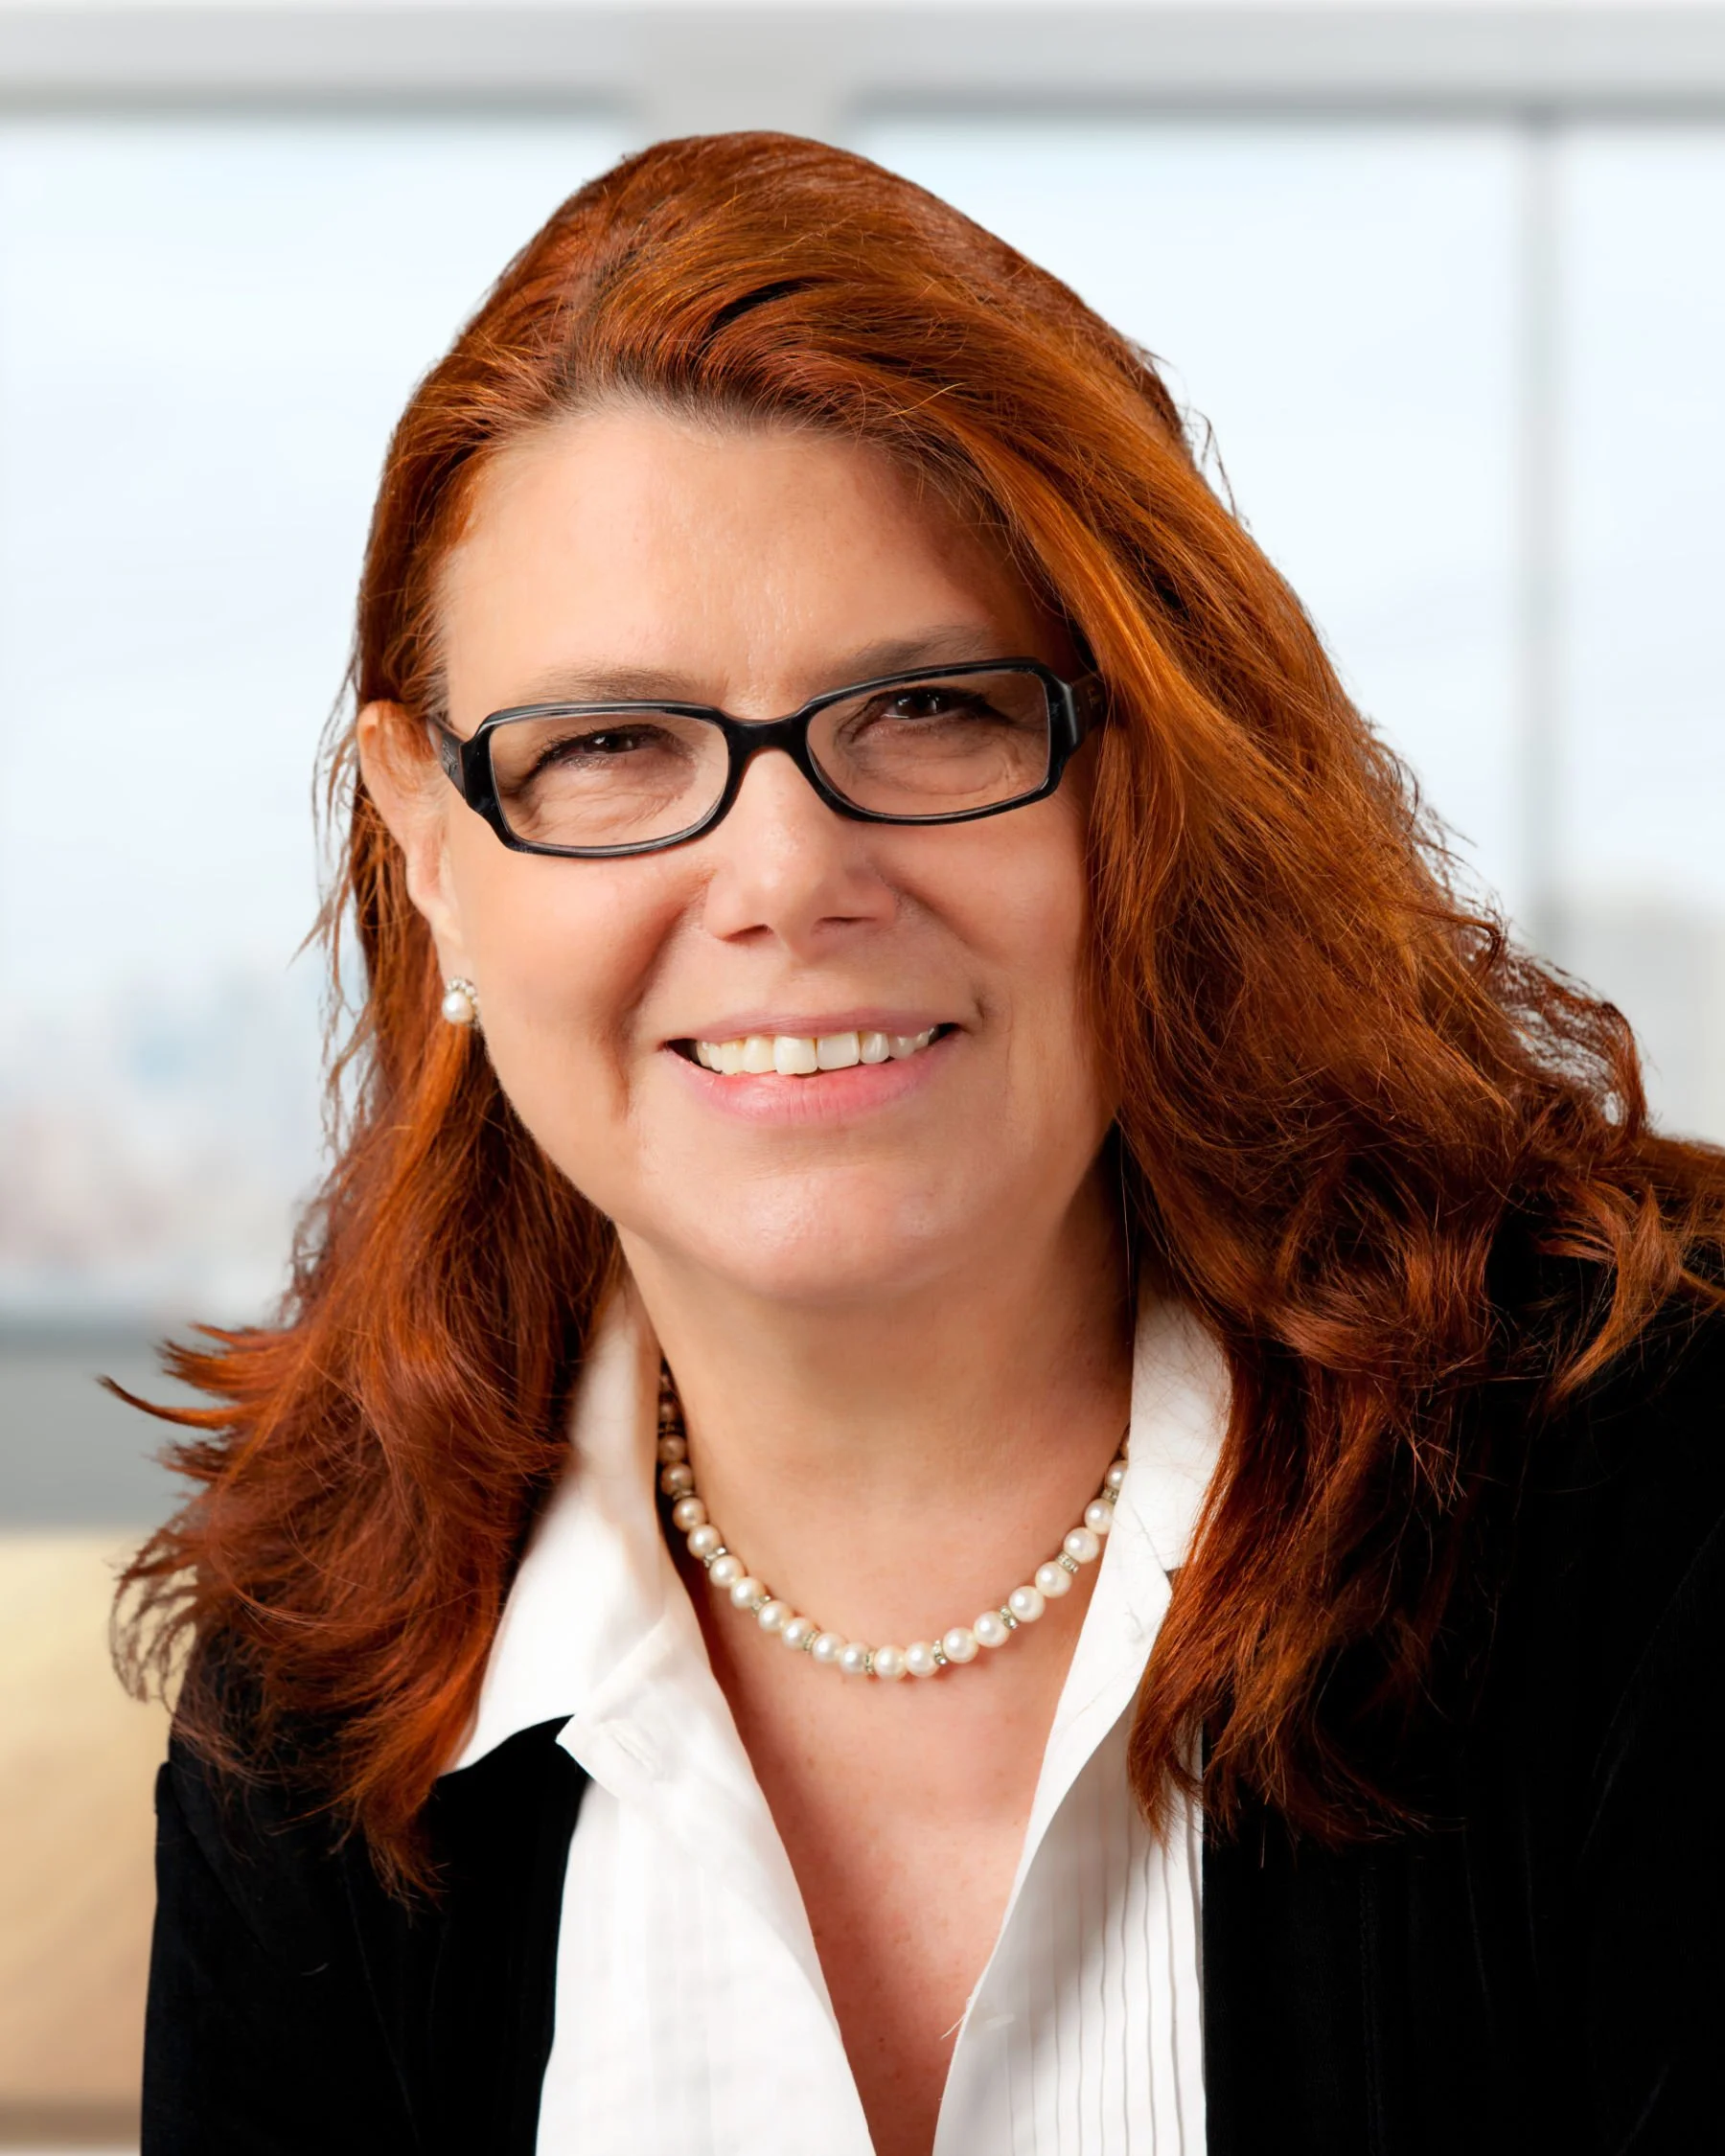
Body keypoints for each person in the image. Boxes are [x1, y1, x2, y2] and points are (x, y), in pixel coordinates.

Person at [122, 132, 1725, 2156]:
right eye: (611, 746)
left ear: (1146, 778)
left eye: (936, 712)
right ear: (427, 843)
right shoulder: (317, 1700)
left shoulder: (1660, 1505)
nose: (785, 875)